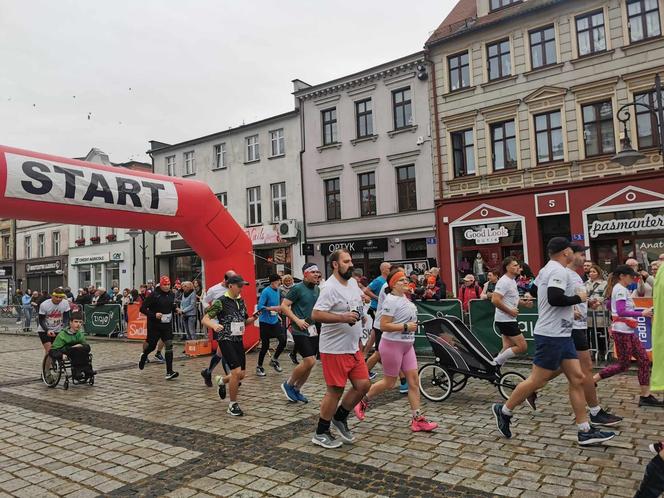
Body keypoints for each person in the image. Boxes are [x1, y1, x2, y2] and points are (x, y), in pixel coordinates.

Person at [492, 237, 616, 446]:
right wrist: (580, 299)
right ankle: (504, 410)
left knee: (577, 378)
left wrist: (572, 309)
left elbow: (537, 292)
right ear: (565, 252)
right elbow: (554, 298)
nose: (573, 252)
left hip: (563, 333)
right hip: (551, 334)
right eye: (570, 249)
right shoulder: (557, 270)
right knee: (536, 380)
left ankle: (584, 430)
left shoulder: (547, 269)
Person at [354, 269, 438, 432]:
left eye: (406, 279)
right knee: (390, 383)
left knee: (413, 382)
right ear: (393, 285)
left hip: (407, 345)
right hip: (392, 345)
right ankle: (361, 400)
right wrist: (405, 326)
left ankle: (417, 419)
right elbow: (384, 325)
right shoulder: (391, 300)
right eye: (401, 281)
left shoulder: (405, 298)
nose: (405, 282)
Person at [311, 249, 370, 449]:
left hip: (353, 346)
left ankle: (340, 417)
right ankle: (321, 432)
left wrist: (363, 306)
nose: (350, 264)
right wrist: (343, 317)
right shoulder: (329, 287)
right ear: (335, 264)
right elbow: (316, 314)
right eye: (346, 261)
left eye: (351, 260)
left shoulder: (352, 282)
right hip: (334, 348)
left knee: (363, 385)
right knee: (335, 390)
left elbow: (358, 301)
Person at [566, 245, 622, 426]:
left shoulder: (576, 276)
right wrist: (573, 309)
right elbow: (555, 297)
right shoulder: (563, 274)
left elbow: (577, 297)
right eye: (581, 254)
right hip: (572, 327)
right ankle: (591, 417)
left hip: (580, 325)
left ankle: (595, 412)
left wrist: (587, 303)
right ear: (569, 254)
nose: (585, 259)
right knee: (581, 370)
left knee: (573, 370)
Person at [594, 265, 663, 407]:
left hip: (629, 331)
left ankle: (645, 396)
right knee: (623, 365)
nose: (633, 278)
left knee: (644, 360)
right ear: (622, 276)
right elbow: (620, 311)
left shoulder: (622, 289)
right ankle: (592, 380)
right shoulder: (619, 289)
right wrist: (641, 313)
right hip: (622, 332)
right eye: (631, 276)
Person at [201, 275, 258, 416]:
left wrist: (255, 317)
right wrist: (214, 326)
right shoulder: (220, 302)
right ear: (231, 285)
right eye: (239, 286)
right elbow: (205, 319)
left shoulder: (241, 301)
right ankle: (232, 404)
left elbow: (245, 322)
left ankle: (221, 380)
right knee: (236, 372)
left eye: (242, 286)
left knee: (241, 375)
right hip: (225, 339)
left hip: (238, 339)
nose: (241, 289)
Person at [280, 263, 322, 403]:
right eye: (313, 272)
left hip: (313, 329)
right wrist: (297, 321)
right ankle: (288, 384)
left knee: (311, 362)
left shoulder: (317, 289)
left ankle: (297, 389)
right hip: (299, 329)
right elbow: (284, 306)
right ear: (305, 274)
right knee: (309, 360)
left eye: (318, 272)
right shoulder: (297, 288)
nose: (317, 274)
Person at [491, 258, 533, 373]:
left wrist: (524, 303)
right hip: (505, 319)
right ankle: (494, 363)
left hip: (508, 319)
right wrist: (510, 311)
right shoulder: (504, 281)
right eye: (515, 265)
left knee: (507, 346)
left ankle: (494, 368)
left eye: (518, 265)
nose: (518, 268)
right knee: (522, 346)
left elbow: (512, 298)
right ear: (507, 268)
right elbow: (495, 300)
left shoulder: (513, 280)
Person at [200, 271, 237, 387]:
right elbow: (205, 300)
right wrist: (210, 310)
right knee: (226, 351)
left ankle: (208, 372)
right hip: (217, 324)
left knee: (220, 353)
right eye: (230, 282)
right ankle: (230, 377)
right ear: (225, 280)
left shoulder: (233, 289)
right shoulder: (214, 289)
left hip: (231, 324)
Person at [138, 276, 179, 380]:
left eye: (169, 284)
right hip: (154, 325)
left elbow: (171, 305)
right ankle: (144, 355)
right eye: (165, 285)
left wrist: (176, 309)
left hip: (166, 325)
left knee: (169, 345)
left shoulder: (171, 294)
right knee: (151, 346)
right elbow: (142, 309)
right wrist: (154, 314)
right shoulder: (154, 295)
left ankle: (169, 372)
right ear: (160, 285)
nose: (167, 287)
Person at [49, 311, 94, 381]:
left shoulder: (79, 334)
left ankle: (86, 369)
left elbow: (85, 346)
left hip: (77, 351)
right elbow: (52, 350)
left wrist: (81, 345)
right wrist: (61, 355)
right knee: (76, 350)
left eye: (80, 322)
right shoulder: (62, 334)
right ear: (70, 322)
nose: (78, 324)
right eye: (76, 322)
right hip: (65, 350)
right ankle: (77, 371)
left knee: (86, 347)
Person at [363, 262, 390, 380]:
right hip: (375, 309)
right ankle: (367, 358)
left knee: (374, 334)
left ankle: (365, 356)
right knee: (376, 333)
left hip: (381, 312)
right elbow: (367, 290)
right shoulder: (379, 281)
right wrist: (378, 298)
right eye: (389, 268)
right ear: (384, 270)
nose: (391, 270)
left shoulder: (388, 280)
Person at [256, 274, 287, 376]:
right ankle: (259, 367)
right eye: (279, 281)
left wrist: (277, 313)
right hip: (265, 322)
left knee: (283, 341)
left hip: (274, 320)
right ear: (274, 281)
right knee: (265, 346)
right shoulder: (265, 291)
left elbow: (277, 306)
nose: (280, 282)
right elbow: (260, 306)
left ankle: (274, 359)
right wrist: (272, 308)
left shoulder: (278, 290)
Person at [37, 288, 71, 354]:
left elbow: (66, 317)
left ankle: (56, 363)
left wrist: (65, 327)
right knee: (49, 351)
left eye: (60, 297)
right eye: (56, 297)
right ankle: (47, 364)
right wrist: (47, 330)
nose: (58, 299)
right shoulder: (44, 304)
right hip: (44, 330)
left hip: (58, 329)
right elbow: (41, 320)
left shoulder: (65, 303)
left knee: (58, 351)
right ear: (52, 296)